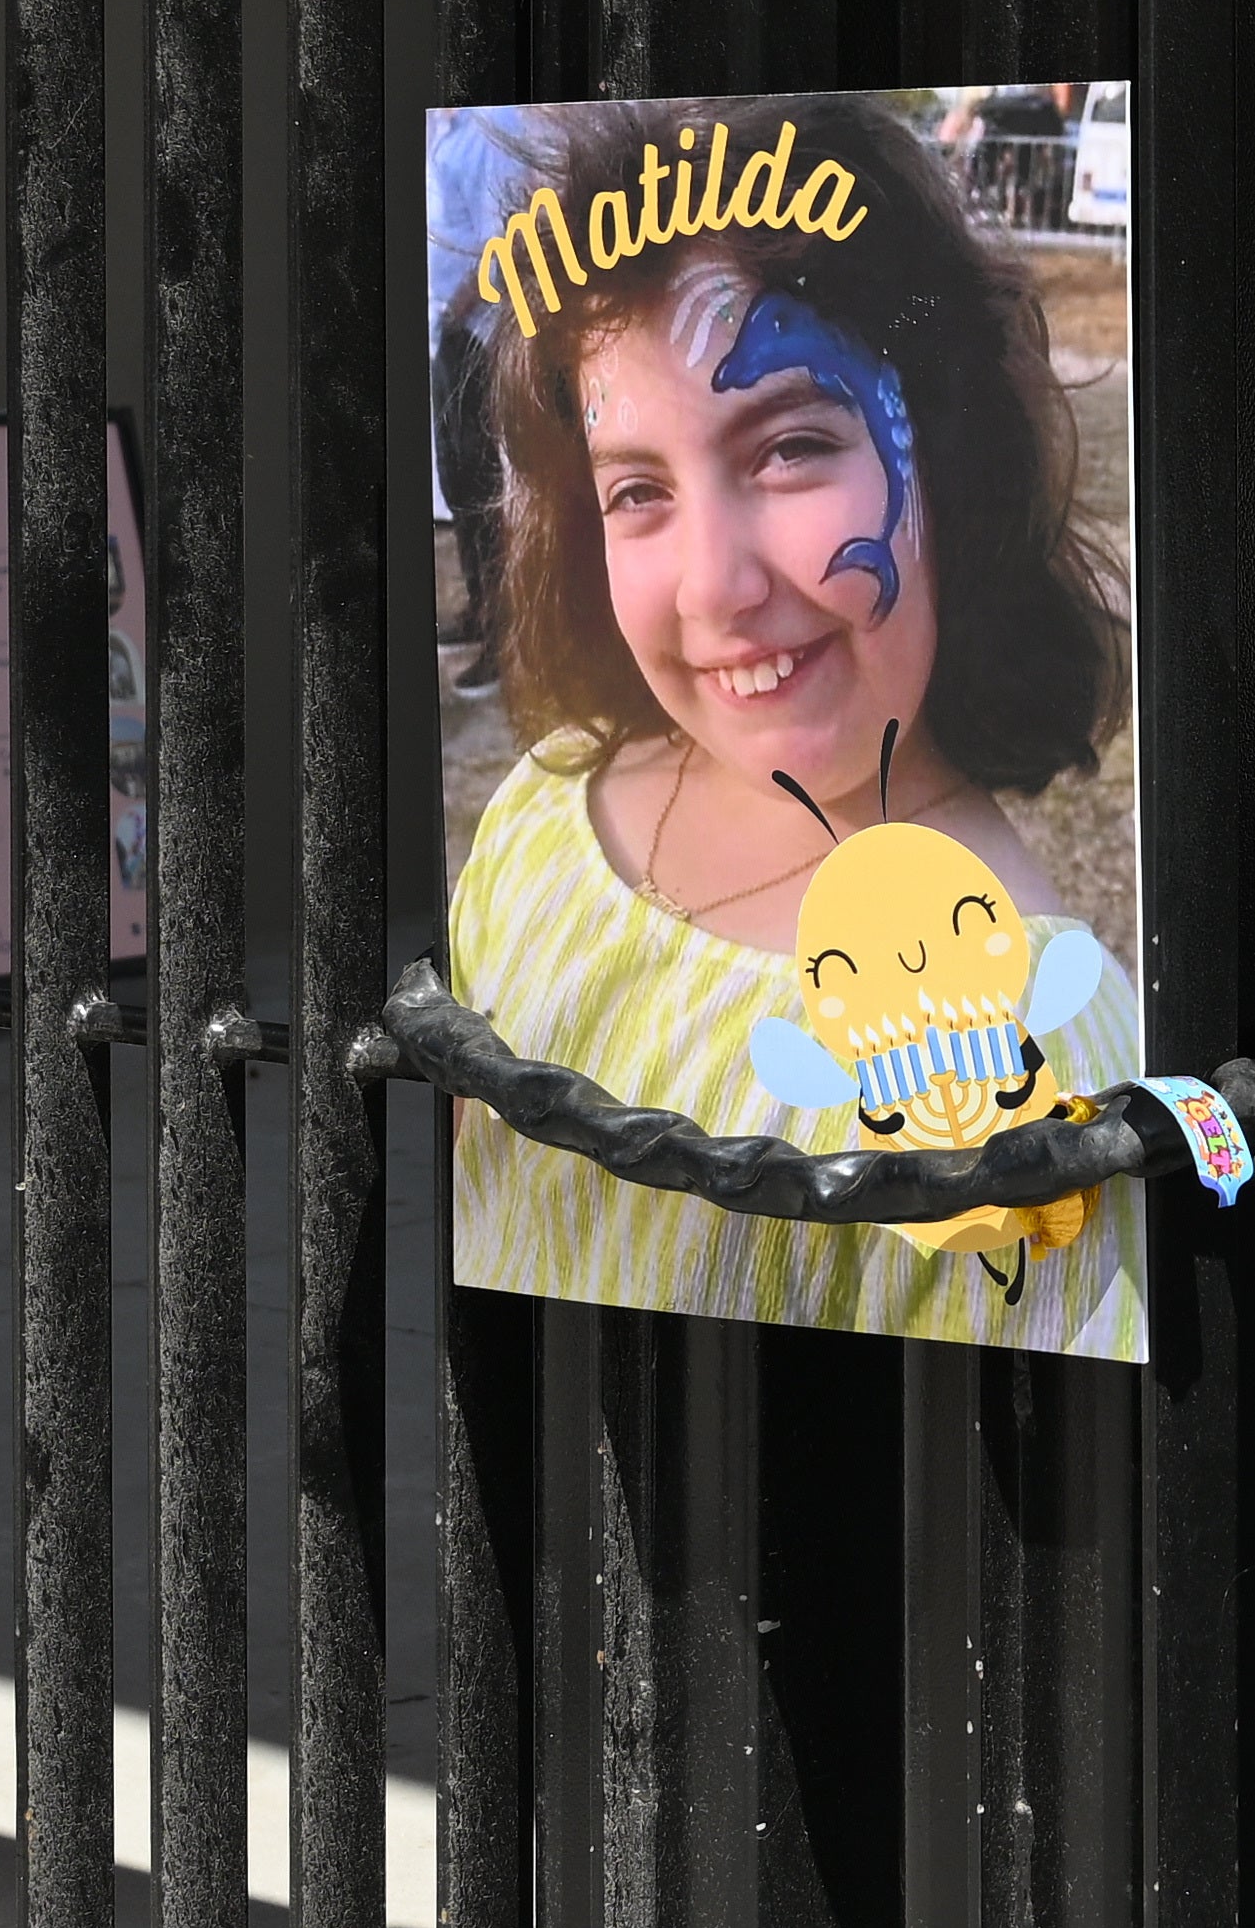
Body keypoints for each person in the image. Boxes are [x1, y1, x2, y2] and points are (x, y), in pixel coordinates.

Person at [442, 93, 1139, 1345]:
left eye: (789, 449)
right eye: (638, 488)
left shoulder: (1024, 1037)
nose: (717, 585)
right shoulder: (544, 811)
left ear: (957, 457)